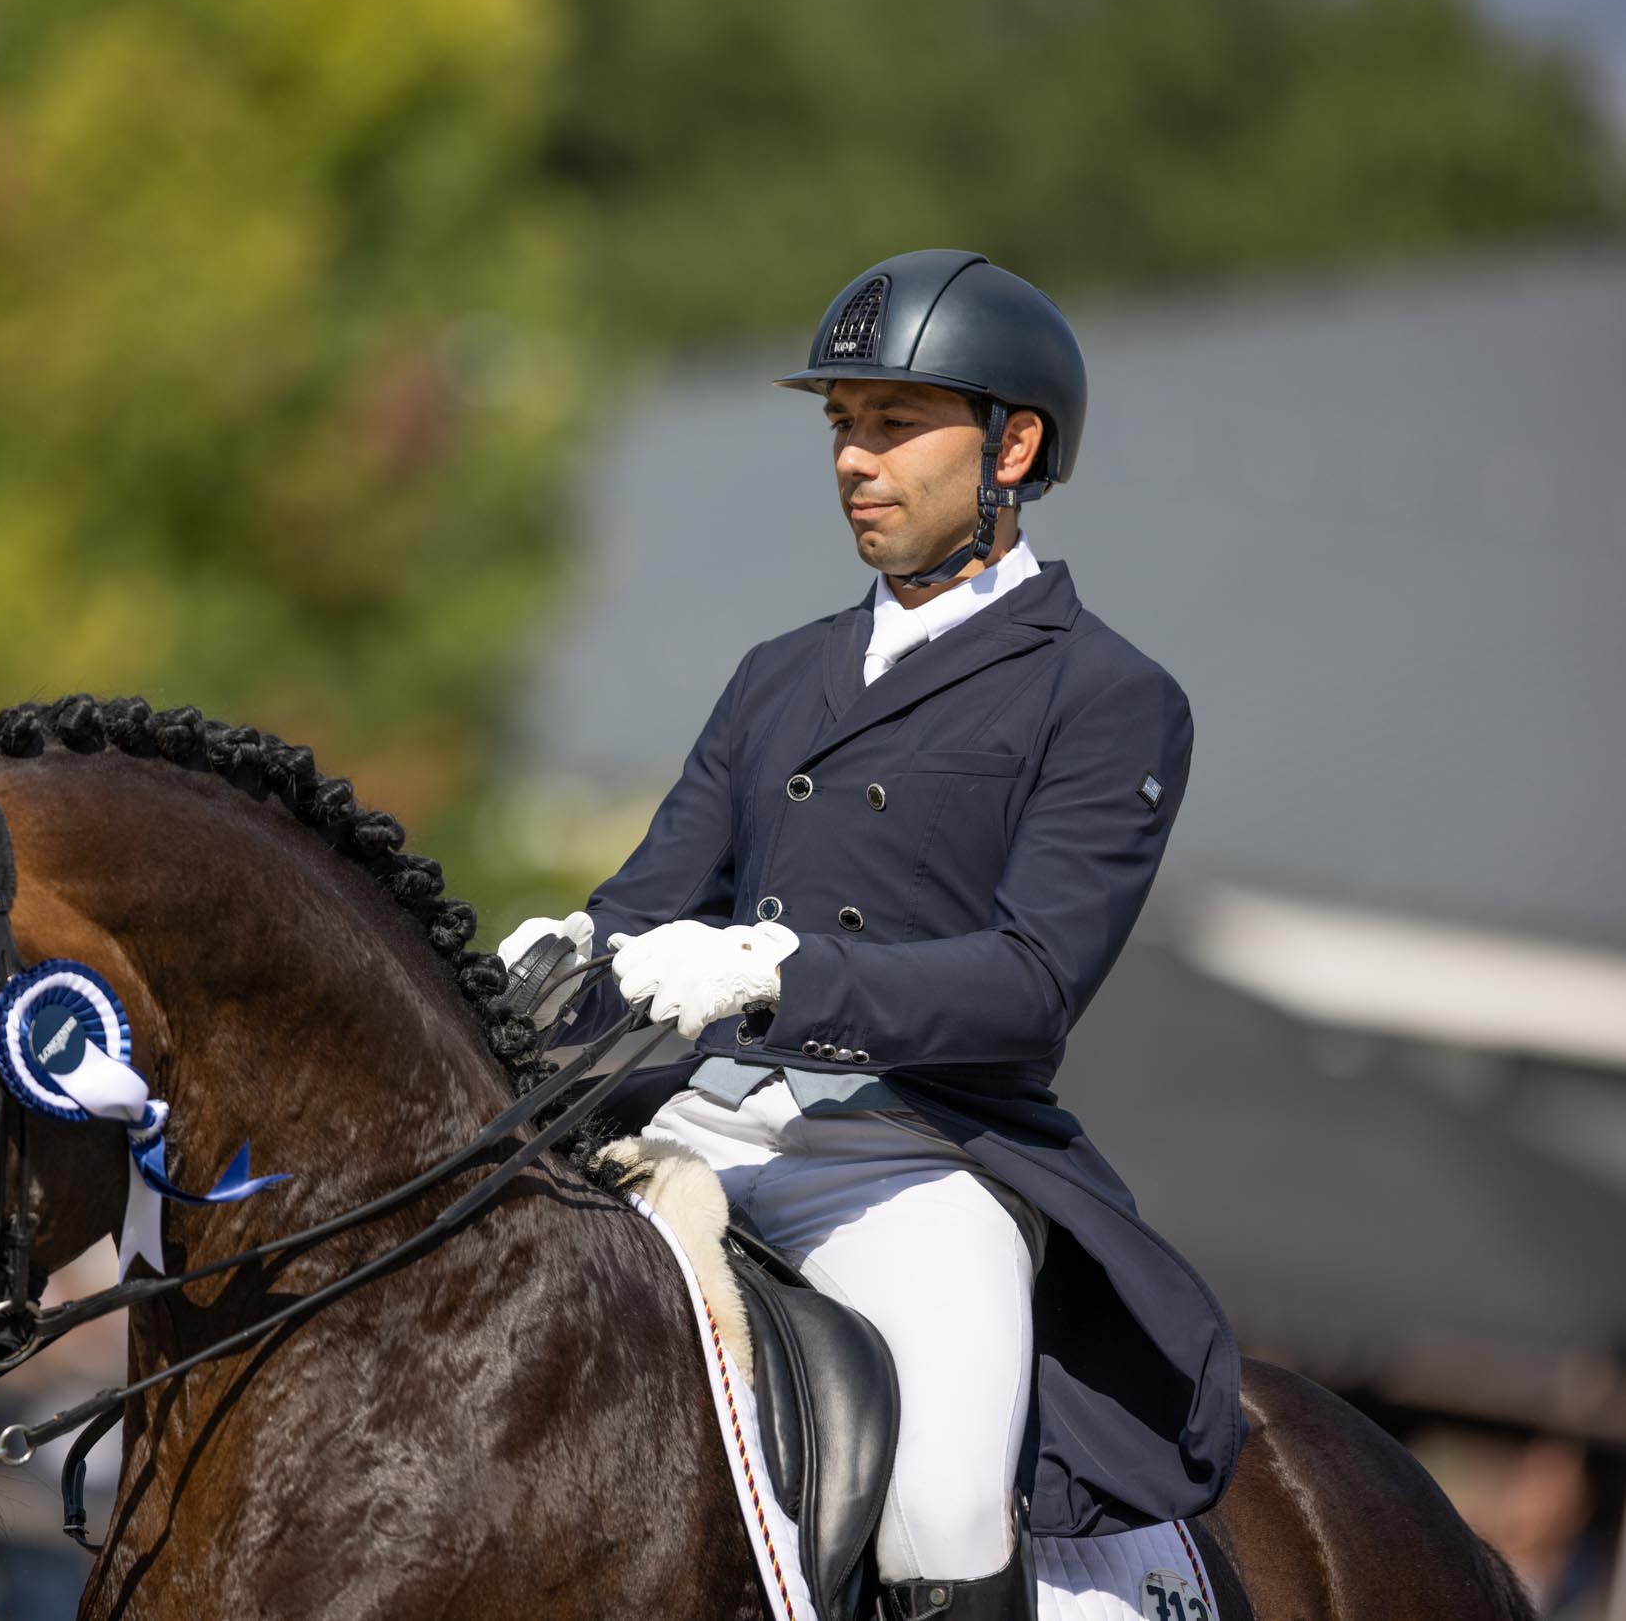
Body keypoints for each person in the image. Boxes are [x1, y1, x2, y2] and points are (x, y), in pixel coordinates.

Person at [501, 250, 1239, 1619]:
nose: (856, 458)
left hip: (905, 1155)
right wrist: (558, 955)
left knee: (947, 1503)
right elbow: (650, 898)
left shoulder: (1110, 696)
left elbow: (1030, 985)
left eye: (896, 425)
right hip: (697, 1121)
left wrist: (778, 972)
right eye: (843, 424)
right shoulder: (779, 673)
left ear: (1012, 444)